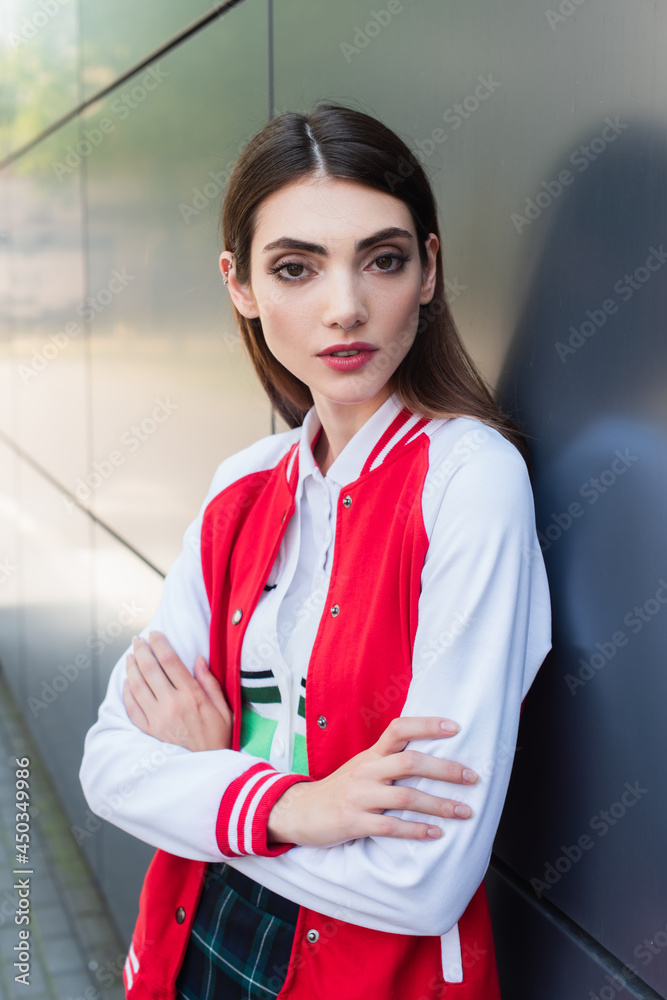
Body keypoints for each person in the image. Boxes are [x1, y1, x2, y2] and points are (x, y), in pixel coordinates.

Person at [79, 104, 551, 1000]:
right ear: (240, 285)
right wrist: (296, 803)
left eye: (382, 259)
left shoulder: (468, 481)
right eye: (295, 268)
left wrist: (207, 787)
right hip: (194, 945)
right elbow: (108, 764)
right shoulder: (243, 485)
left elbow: (424, 879)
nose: (346, 307)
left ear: (428, 270)